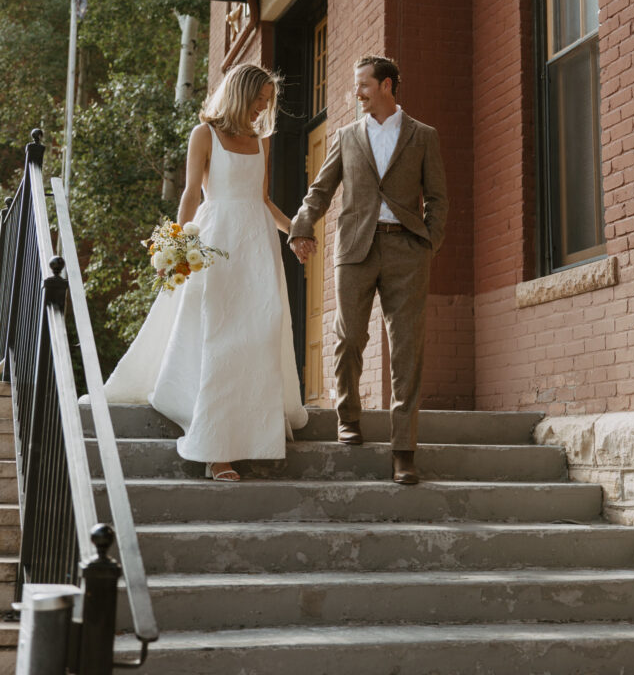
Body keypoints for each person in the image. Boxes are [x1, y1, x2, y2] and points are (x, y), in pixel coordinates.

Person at [101, 63, 308, 480]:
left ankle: (255, 436)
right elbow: (191, 195)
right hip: (216, 242)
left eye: (267, 103)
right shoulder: (205, 134)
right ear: (239, 94)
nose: (261, 109)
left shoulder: (260, 141)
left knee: (262, 333)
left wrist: (296, 231)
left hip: (258, 246)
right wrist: (176, 248)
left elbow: (263, 199)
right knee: (221, 337)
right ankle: (217, 452)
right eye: (258, 100)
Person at [289, 55, 448, 485]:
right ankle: (349, 419)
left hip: (406, 250)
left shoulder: (423, 136)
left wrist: (428, 242)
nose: (356, 93)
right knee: (348, 337)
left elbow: (437, 196)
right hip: (355, 247)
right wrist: (303, 226)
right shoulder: (346, 136)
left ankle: (403, 450)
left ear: (387, 85)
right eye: (357, 86)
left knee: (406, 348)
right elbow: (320, 190)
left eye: (363, 85)